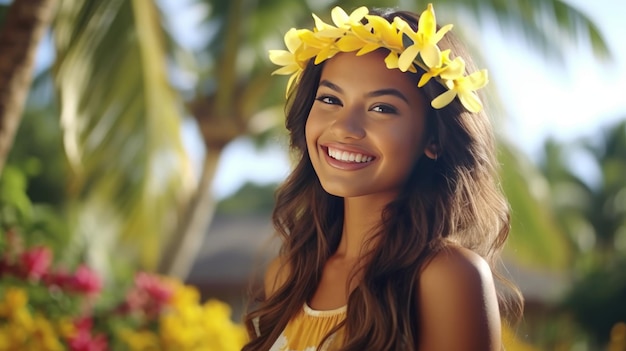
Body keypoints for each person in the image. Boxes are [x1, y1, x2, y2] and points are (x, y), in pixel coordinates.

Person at [242, 3, 523, 351]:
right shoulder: (287, 276)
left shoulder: (447, 277)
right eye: (330, 99)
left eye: (382, 108)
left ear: (433, 139)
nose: (344, 127)